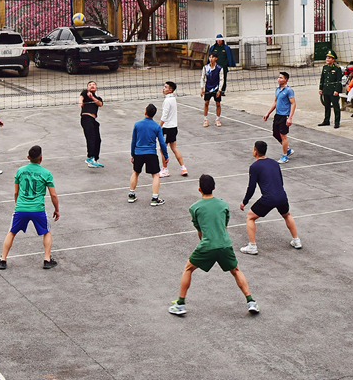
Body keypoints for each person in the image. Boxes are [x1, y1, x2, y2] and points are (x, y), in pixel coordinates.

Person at [168, 173, 258, 317]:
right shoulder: (223, 204)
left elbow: (200, 232)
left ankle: (180, 304)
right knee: (235, 270)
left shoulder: (194, 208)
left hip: (207, 245)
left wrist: (205, 247)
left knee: (188, 269)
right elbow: (224, 227)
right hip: (224, 244)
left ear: (199, 189)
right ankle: (251, 301)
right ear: (214, 187)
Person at [0, 145, 60, 270]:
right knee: (46, 232)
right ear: (41, 158)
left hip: (21, 208)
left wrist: (18, 205)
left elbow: (16, 193)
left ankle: (3, 260)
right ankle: (47, 260)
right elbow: (53, 195)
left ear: (28, 157)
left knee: (11, 232)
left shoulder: (20, 171)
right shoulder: (46, 173)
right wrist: (56, 209)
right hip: (38, 209)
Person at [238, 140, 301, 254]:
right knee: (287, 215)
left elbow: (251, 187)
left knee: (250, 217)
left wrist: (244, 202)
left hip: (269, 198)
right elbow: (280, 181)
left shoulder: (254, 166)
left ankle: (252, 246)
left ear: (255, 152)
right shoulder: (274, 163)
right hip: (281, 195)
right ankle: (296, 241)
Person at [129, 103, 170, 205]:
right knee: (155, 175)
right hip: (151, 153)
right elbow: (162, 143)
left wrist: (132, 154)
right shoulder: (156, 126)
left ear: (145, 112)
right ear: (154, 114)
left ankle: (131, 194)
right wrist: (165, 155)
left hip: (138, 152)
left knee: (136, 172)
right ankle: (155, 198)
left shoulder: (137, 124)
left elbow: (133, 141)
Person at [263, 71, 295, 163]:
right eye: (278, 77)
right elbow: (275, 102)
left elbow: (293, 104)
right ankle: (288, 150)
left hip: (285, 116)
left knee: (283, 135)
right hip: (278, 115)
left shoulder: (289, 90)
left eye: (281, 78)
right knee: (275, 134)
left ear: (286, 80)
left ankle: (285, 156)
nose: (278, 79)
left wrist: (290, 118)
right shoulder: (277, 89)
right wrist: (268, 113)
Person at [159, 81, 188, 177]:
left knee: (163, 149)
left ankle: (165, 169)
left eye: (165, 87)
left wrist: (158, 127)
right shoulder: (172, 99)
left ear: (170, 90)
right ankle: (183, 168)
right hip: (174, 127)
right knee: (174, 148)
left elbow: (164, 116)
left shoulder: (167, 101)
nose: (163, 88)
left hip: (167, 128)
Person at [79, 81, 104, 169]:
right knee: (91, 137)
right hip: (86, 118)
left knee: (98, 139)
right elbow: (81, 98)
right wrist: (80, 102)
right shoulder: (85, 93)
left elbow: (100, 104)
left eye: (94, 84)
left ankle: (95, 159)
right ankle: (90, 157)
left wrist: (92, 97)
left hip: (93, 120)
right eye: (90, 85)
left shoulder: (98, 98)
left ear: (96, 87)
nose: (92, 86)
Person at [317, 50, 343, 128]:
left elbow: (339, 81)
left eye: (329, 58)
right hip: (326, 90)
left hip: (333, 90)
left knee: (336, 107)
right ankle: (326, 120)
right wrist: (320, 88)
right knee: (327, 106)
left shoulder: (337, 68)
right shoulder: (325, 67)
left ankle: (337, 122)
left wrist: (337, 90)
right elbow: (322, 79)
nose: (327, 59)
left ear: (333, 59)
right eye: (327, 58)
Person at [200, 52, 224, 127]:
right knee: (206, 103)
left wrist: (219, 90)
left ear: (216, 58)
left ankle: (217, 119)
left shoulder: (219, 68)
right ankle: (205, 119)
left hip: (216, 88)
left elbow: (221, 79)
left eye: (213, 57)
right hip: (208, 88)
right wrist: (202, 88)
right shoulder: (205, 68)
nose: (211, 59)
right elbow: (202, 78)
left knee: (218, 104)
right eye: (210, 57)